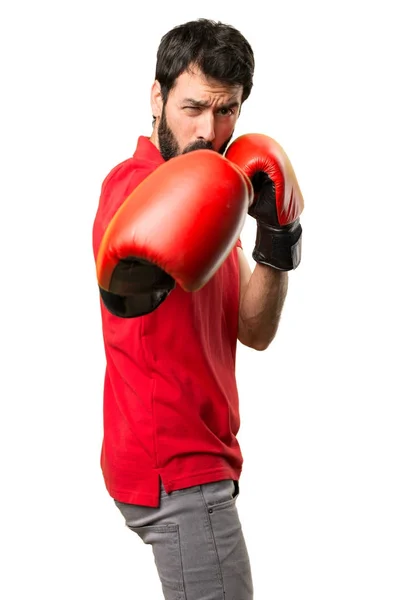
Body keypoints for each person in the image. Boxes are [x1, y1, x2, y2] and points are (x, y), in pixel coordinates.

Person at [92, 18, 303, 600]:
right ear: (156, 98)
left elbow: (254, 331)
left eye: (227, 110)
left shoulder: (213, 196)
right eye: (192, 108)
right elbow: (127, 286)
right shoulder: (134, 185)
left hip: (203, 462)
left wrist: (277, 237)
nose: (208, 131)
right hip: (181, 475)